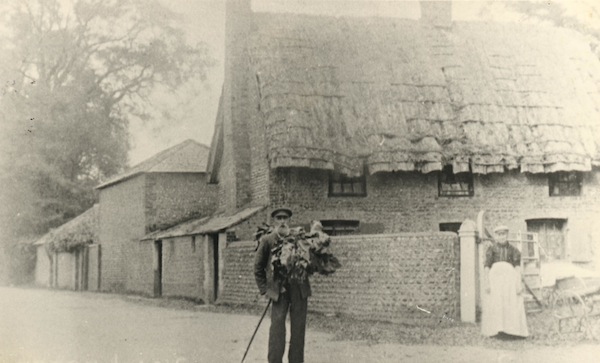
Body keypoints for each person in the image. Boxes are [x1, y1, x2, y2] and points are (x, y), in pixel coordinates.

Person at [254, 207, 311, 363]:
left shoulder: (299, 238)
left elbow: (310, 261)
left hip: (299, 289)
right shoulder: (267, 240)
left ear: (289, 221)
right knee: (277, 328)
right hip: (279, 291)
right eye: (279, 218)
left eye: (285, 218)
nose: (282, 221)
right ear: (274, 221)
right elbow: (257, 267)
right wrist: (265, 290)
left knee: (298, 329)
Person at [481, 225, 529, 338]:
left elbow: (517, 268)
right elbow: (487, 266)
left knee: (510, 302)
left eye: (503, 234)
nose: (501, 237)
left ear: (507, 235)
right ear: (496, 236)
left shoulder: (514, 250)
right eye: (499, 234)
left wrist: (518, 283)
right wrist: (487, 282)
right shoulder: (491, 250)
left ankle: (512, 330)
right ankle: (496, 330)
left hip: (509, 281)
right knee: (496, 302)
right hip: (495, 280)